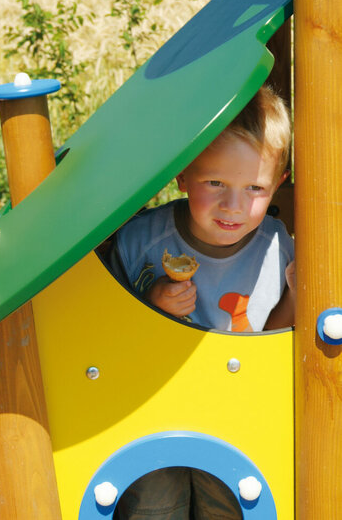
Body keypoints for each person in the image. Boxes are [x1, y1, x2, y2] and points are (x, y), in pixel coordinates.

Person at [105, 85, 295, 519]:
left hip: (238, 418)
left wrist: (299, 295)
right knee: (153, 506)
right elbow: (103, 330)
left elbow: (277, 334)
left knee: (236, 503)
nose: (234, 206)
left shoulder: (275, 245)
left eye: (255, 188)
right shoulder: (141, 241)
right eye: (215, 183)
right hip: (154, 416)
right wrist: (151, 304)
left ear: (278, 185)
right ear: (183, 174)